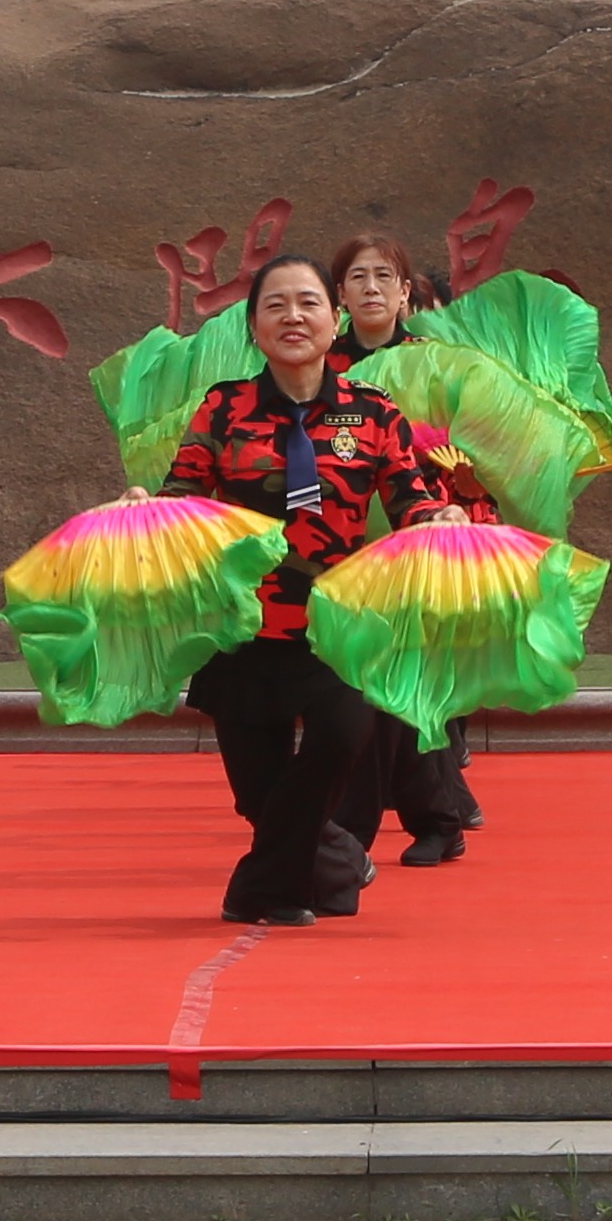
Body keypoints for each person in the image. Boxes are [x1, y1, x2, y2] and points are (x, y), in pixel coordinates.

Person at [170, 249, 490, 923]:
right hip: (245, 626)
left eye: (308, 302)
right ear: (254, 325)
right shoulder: (223, 408)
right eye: (276, 305)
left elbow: (409, 498)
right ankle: (332, 865)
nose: (293, 317)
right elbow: (184, 496)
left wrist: (441, 516)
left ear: (333, 318)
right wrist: (148, 507)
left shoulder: (372, 412)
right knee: (258, 794)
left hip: (336, 625)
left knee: (342, 740)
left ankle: (262, 889)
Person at [330, 237, 481, 859]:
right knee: (366, 684)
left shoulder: (437, 363)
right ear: (339, 296)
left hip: (419, 531)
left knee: (398, 679)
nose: (370, 288)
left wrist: (461, 486)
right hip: (336, 543)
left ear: (404, 293)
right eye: (357, 277)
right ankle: (430, 814)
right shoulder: (319, 367)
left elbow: (479, 444)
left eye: (383, 276)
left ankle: (406, 820)